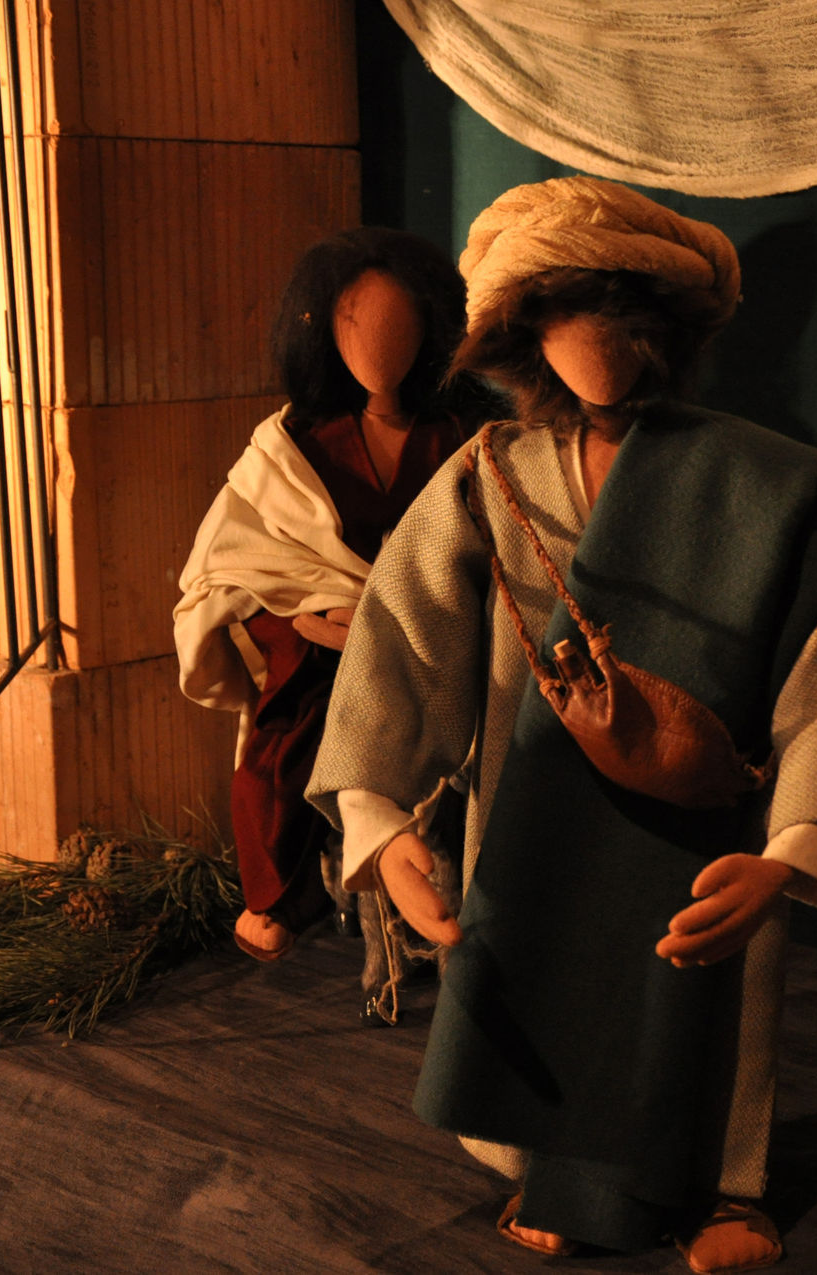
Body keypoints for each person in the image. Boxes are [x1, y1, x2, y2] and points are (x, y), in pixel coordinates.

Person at [307, 177, 817, 1273]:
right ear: (522, 331)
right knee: (540, 965)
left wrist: (795, 848)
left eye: (622, 311)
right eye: (564, 310)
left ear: (667, 327)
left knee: (710, 987)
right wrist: (379, 818)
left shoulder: (758, 482)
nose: (597, 339)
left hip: (706, 803)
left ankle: (724, 1187)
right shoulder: (492, 475)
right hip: (534, 791)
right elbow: (402, 635)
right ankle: (555, 1166)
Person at [174, 226, 484, 967]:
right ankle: (281, 894)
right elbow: (240, 558)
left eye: (399, 326)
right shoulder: (294, 445)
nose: (378, 347)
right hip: (325, 642)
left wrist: (404, 617)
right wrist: (301, 619)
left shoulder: (460, 437)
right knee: (291, 729)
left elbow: (483, 544)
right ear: (320, 330)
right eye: (354, 325)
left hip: (432, 631)